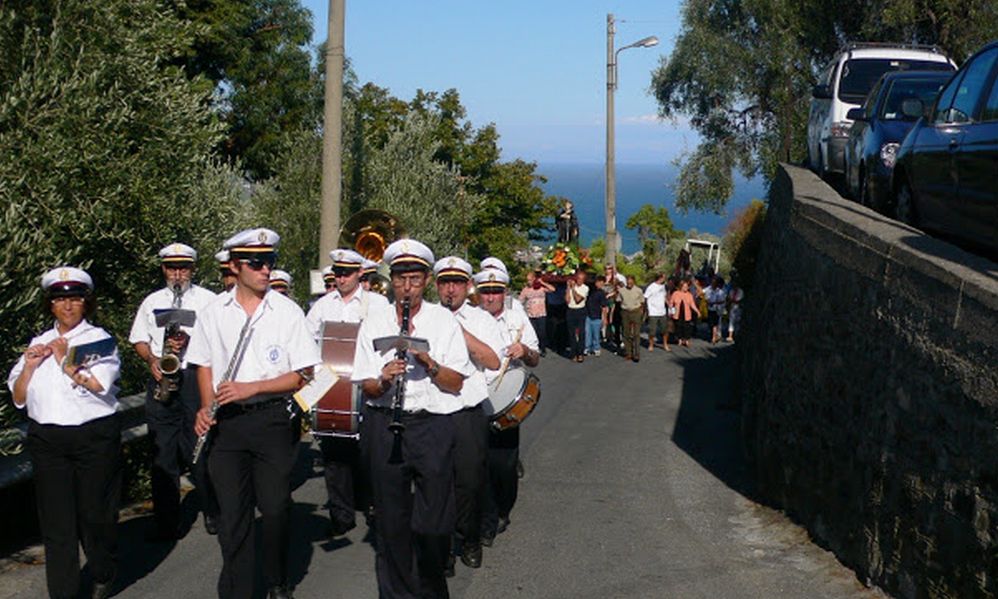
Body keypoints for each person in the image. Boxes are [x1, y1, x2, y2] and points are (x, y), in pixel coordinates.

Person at [188, 228, 320, 599]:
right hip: (227, 424)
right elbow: (203, 364)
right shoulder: (214, 312)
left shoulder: (287, 312)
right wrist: (205, 406)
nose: (266, 270)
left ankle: (276, 577)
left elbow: (303, 374)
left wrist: (254, 387)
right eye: (257, 263)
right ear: (235, 266)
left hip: (271, 420)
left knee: (275, 509)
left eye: (270, 262)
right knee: (233, 516)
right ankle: (240, 590)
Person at [351, 239, 473, 599]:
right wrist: (384, 378)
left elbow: (456, 383)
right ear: (391, 281)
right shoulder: (373, 322)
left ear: (427, 281)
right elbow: (366, 385)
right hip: (385, 421)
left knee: (434, 524)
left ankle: (431, 587)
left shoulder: (442, 321)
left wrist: (429, 363)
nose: (407, 288)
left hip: (432, 424)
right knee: (391, 520)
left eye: (415, 279)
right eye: (400, 279)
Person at [8, 267, 121, 599]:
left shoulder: (98, 340)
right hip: (48, 439)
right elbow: (18, 397)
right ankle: (64, 592)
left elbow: (99, 384)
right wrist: (30, 366)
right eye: (59, 300)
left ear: (86, 303)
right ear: (51, 305)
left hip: (92, 436)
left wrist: (63, 360)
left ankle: (103, 569)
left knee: (95, 516)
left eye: (75, 299)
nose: (68, 306)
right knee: (57, 522)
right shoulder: (38, 342)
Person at [129, 243, 219, 540]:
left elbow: (220, 342)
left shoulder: (209, 301)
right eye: (171, 268)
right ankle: (167, 522)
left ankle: (212, 509)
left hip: (194, 376)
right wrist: (152, 360)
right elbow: (139, 340)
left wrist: (191, 344)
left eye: (183, 268)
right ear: (163, 269)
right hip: (164, 377)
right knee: (163, 453)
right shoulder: (151, 301)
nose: (177, 274)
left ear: (193, 269)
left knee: (199, 449)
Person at [305, 248, 388, 540]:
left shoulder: (377, 304)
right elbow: (306, 341)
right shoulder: (322, 305)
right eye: (338, 273)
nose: (341, 278)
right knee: (333, 451)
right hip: (330, 384)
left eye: (347, 273)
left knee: (369, 450)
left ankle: (373, 503)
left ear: (360, 273)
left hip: (366, 382)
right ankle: (341, 515)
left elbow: (385, 343)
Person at [434, 256, 504, 575]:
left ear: (468, 286)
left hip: (467, 410)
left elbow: (493, 361)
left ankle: (470, 538)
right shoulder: (427, 316)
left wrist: (457, 331)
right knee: (437, 483)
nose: (451, 289)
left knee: (470, 482)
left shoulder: (481, 319)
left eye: (457, 283)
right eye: (445, 283)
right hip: (434, 410)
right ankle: (444, 549)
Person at [473, 268, 540, 548]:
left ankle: (503, 508)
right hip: (475, 398)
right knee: (478, 464)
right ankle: (487, 521)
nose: (490, 297)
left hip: (505, 402)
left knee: (503, 465)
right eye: (485, 292)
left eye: (496, 291)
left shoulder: (516, 318)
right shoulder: (469, 318)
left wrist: (524, 350)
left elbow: (535, 358)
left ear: (504, 293)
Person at [518, 270, 554, 357]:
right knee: (533, 332)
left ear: (534, 279)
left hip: (541, 313)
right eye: (527, 280)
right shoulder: (526, 290)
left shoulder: (541, 288)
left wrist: (542, 282)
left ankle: (543, 348)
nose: (529, 282)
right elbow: (520, 301)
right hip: (531, 314)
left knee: (542, 332)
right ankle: (535, 348)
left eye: (530, 280)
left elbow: (552, 289)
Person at [617, 275, 645, 362]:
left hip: (636, 311)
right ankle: (628, 353)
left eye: (631, 282)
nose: (629, 284)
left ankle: (636, 354)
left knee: (636, 334)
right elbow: (618, 300)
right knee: (626, 333)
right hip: (625, 312)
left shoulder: (639, 290)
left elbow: (642, 302)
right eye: (628, 282)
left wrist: (641, 312)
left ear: (634, 282)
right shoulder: (621, 290)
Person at [565, 270, 588, 363]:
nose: (579, 281)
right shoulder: (570, 287)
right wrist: (568, 288)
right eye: (578, 278)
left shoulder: (585, 288)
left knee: (581, 333)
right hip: (571, 310)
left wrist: (573, 289)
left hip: (580, 311)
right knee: (572, 333)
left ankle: (580, 353)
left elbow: (578, 299)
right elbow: (567, 300)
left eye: (582, 279)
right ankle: (573, 353)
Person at [669, 278, 700, 348]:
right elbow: (671, 303)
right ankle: (679, 339)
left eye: (687, 286)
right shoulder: (675, 293)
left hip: (686, 314)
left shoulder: (689, 295)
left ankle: (686, 340)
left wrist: (697, 311)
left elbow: (692, 304)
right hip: (677, 313)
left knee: (687, 327)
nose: (686, 288)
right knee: (678, 327)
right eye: (684, 286)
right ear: (681, 287)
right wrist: (670, 312)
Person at [643, 273, 668, 352]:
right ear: (660, 278)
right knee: (652, 331)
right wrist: (646, 309)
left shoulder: (663, 286)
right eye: (664, 277)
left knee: (664, 330)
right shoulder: (651, 287)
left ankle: (665, 344)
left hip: (662, 311)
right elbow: (645, 297)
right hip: (653, 312)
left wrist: (668, 303)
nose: (665, 279)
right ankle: (651, 345)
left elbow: (664, 296)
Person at [584, 276, 608, 356]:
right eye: (599, 282)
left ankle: (596, 348)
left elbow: (604, 307)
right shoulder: (590, 290)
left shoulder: (601, 293)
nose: (600, 284)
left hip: (597, 316)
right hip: (588, 315)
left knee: (596, 334)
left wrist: (604, 318)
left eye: (602, 283)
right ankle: (587, 348)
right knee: (587, 333)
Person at [705, 275, 728, 344]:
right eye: (712, 283)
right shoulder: (709, 290)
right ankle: (714, 335)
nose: (713, 285)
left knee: (715, 323)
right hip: (710, 308)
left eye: (714, 283)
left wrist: (714, 302)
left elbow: (723, 300)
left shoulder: (720, 292)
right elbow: (705, 295)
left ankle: (714, 337)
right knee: (711, 324)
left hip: (717, 309)